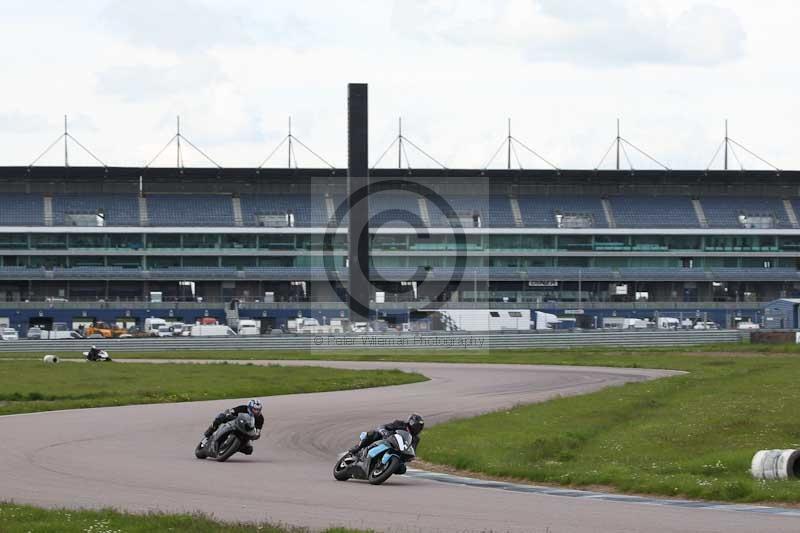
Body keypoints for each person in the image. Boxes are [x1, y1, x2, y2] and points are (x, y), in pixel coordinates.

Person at [348, 413, 424, 456]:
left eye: (420, 427)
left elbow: (412, 450)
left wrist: (410, 456)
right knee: (374, 434)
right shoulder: (400, 424)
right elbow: (384, 426)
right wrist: (384, 431)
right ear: (411, 422)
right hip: (386, 439)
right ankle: (358, 447)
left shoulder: (416, 439)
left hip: (397, 450)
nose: (417, 428)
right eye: (416, 425)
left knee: (402, 469)